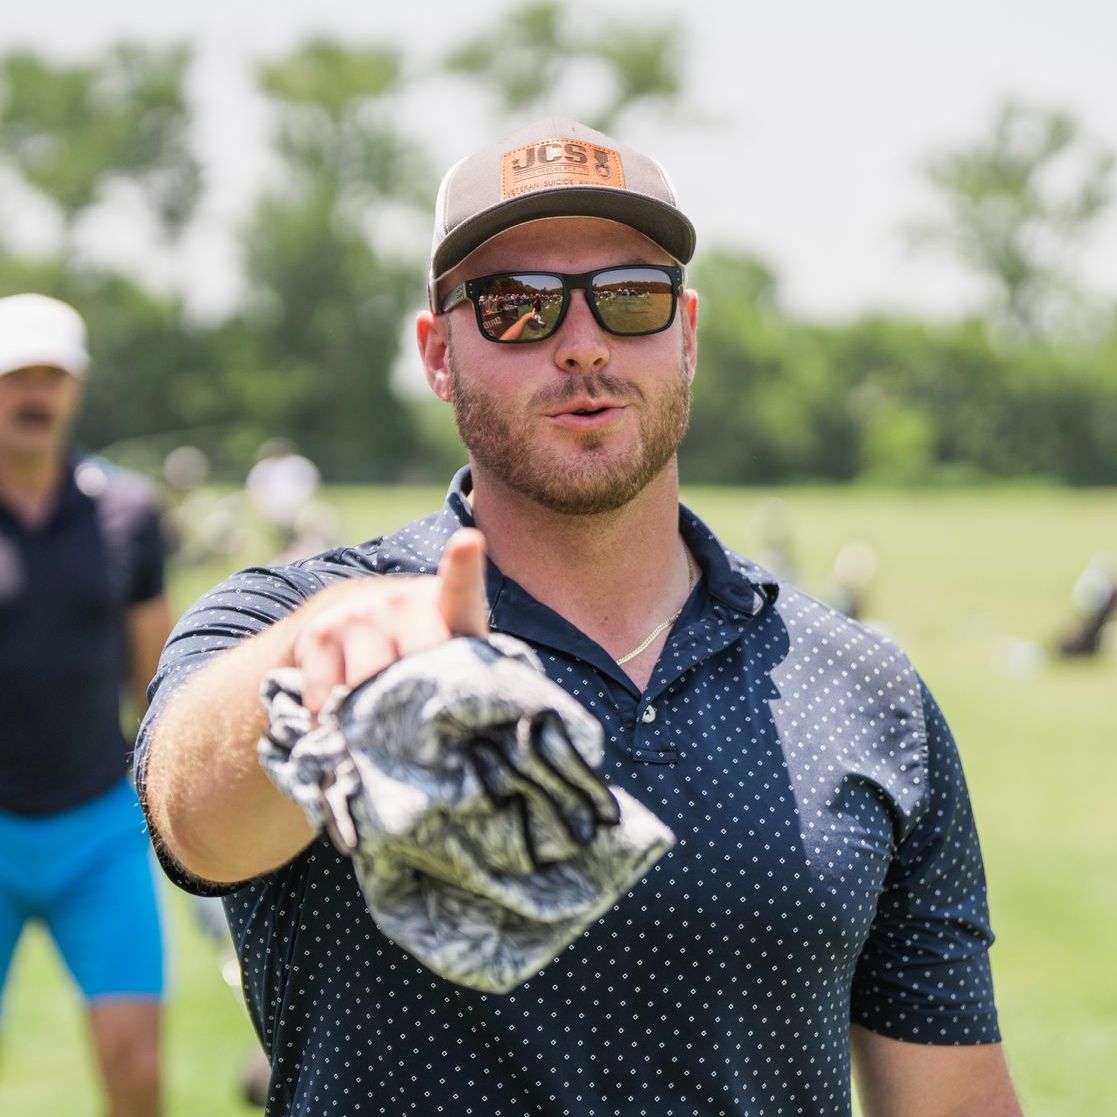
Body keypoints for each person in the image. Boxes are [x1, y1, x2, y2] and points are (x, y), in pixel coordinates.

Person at [137, 118, 1023, 1116]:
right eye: (517, 309)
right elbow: (192, 819)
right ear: (438, 354)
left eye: (629, 299)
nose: (583, 344)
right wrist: (308, 671)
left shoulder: (866, 692)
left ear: (685, 333)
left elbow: (951, 1098)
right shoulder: (296, 618)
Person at [0, 293, 171, 1116]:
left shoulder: (128, 512)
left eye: (51, 377)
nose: (34, 395)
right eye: (15, 377)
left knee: (135, 1063)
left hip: (98, 823)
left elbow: (157, 677)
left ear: (75, 388)